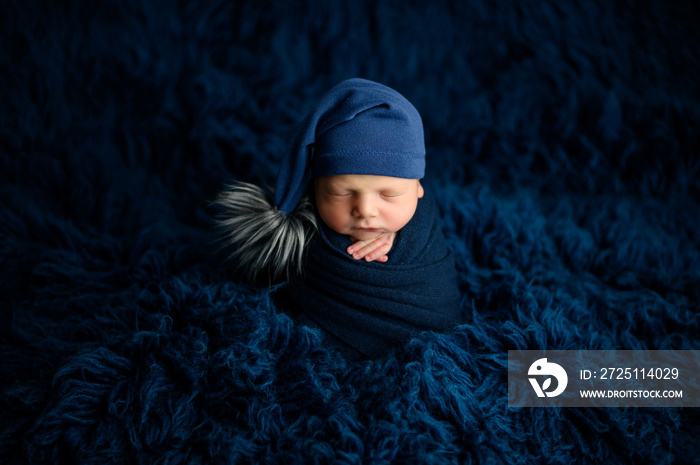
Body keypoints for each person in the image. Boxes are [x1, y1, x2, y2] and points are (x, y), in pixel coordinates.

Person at [216, 78, 462, 360]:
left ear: (418, 188)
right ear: (315, 188)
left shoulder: (426, 234)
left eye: (389, 194)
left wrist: (403, 239)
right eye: (341, 192)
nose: (365, 210)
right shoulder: (302, 244)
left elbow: (443, 308)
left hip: (428, 365)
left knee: (516, 379)